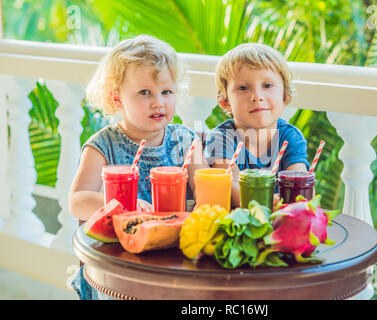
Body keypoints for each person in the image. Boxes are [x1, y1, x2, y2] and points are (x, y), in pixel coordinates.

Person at [69, 34, 208, 299]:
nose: (159, 102)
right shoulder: (102, 145)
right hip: (118, 267)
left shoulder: (186, 140)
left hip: (171, 260)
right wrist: (122, 208)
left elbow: (203, 191)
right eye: (145, 92)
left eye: (166, 92)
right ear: (117, 98)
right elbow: (77, 200)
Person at [204, 43, 310, 209]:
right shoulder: (221, 139)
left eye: (267, 86)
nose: (257, 96)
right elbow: (231, 188)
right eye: (243, 88)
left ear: (284, 95)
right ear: (225, 103)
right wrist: (269, 203)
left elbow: (298, 186)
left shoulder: (291, 137)